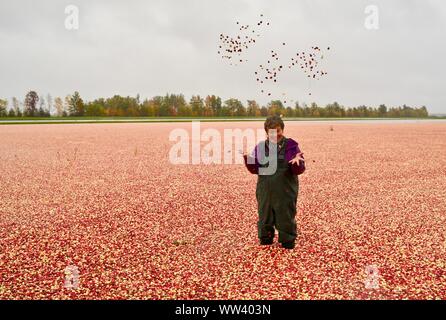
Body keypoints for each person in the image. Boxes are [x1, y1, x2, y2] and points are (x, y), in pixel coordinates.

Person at [242, 115, 305, 249]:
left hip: (285, 190)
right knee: (265, 215)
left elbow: (299, 170)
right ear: (266, 132)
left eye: (278, 130)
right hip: (265, 189)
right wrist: (248, 160)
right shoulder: (260, 147)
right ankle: (266, 238)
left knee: (286, 216)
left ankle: (288, 240)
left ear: (282, 129)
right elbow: (255, 169)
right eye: (271, 132)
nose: (275, 134)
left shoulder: (291, 146)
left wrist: (297, 164)